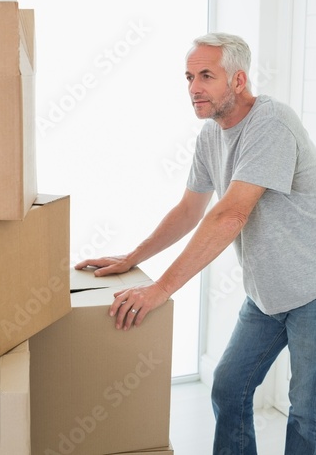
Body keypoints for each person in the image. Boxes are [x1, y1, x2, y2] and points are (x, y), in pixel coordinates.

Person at [75, 32, 316, 454]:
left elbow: (231, 214)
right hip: (266, 295)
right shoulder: (211, 135)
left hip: (311, 289)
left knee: (307, 413)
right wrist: (133, 256)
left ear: (238, 81)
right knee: (228, 388)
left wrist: (160, 289)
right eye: (188, 77)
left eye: (206, 75)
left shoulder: (271, 124)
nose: (193, 88)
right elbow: (189, 211)